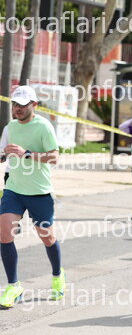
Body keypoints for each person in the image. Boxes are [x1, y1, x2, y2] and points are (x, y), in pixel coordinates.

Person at [0, 86, 64, 308]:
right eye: (15, 105)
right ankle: (13, 286)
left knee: (48, 238)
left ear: (34, 105)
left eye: (22, 105)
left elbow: (54, 157)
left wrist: (26, 154)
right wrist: (4, 155)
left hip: (39, 192)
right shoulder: (10, 127)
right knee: (5, 234)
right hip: (14, 189)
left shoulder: (43, 126)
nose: (17, 109)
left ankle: (57, 276)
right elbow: (2, 153)